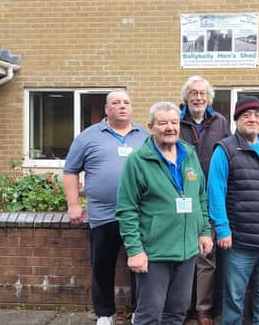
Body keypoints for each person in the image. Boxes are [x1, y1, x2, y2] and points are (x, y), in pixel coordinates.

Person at [116, 101, 213, 325]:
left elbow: (200, 196)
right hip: (155, 252)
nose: (170, 128)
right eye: (162, 123)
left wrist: (204, 232)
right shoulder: (137, 161)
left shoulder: (189, 155)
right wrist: (135, 250)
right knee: (149, 315)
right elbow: (126, 209)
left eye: (174, 122)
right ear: (151, 127)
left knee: (177, 312)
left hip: (187, 250)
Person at [63, 90, 149, 325]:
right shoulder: (88, 137)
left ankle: (140, 312)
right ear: (106, 108)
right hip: (103, 215)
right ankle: (104, 314)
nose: (122, 106)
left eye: (126, 102)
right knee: (102, 266)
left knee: (141, 266)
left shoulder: (145, 136)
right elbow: (70, 170)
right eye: (116, 103)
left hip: (139, 215)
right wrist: (73, 204)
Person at [207, 96, 259, 325]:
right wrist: (222, 229)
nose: (252, 119)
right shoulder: (225, 150)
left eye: (257, 115)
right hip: (239, 241)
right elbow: (215, 191)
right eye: (246, 115)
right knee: (234, 298)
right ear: (236, 120)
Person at [179, 75, 231, 325]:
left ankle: (203, 308)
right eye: (193, 93)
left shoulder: (220, 122)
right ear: (186, 97)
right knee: (179, 254)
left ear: (209, 98)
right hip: (179, 197)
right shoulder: (175, 121)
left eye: (202, 94)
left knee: (206, 257)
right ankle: (180, 306)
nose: (198, 98)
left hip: (210, 200)